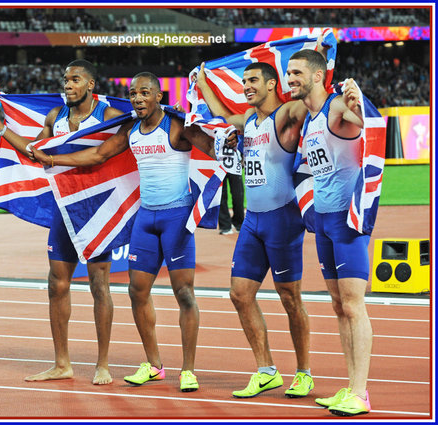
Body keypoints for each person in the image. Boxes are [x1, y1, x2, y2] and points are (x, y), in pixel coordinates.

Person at [31, 72, 223, 392]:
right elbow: (98, 155)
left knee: (184, 294)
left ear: (158, 96)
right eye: (133, 94)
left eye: (145, 93)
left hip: (176, 217)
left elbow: (212, 146)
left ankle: (188, 369)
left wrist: (224, 139)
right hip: (145, 219)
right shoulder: (131, 129)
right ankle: (154, 364)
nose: (137, 99)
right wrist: (52, 157)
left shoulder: (177, 126)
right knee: (137, 291)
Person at [0, 59, 124, 385]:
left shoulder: (110, 117)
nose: (67, 84)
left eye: (74, 80)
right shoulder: (55, 117)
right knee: (56, 285)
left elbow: (123, 144)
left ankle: (103, 365)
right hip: (63, 209)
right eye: (65, 79)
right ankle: (62, 364)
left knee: (99, 285)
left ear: (90, 85)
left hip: (96, 211)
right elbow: (34, 151)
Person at [195, 61, 314, 399]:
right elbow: (220, 115)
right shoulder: (248, 120)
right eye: (244, 80)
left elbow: (308, 102)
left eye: (252, 80)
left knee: (290, 298)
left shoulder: (286, 114)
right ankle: (266, 371)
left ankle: (304, 373)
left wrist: (318, 59)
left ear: (272, 83)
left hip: (283, 219)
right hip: (252, 220)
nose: (246, 86)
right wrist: (203, 85)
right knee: (240, 294)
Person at [287, 49, 373, 416]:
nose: (290, 78)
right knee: (339, 307)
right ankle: (351, 386)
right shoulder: (309, 120)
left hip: (348, 222)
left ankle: (361, 393)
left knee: (353, 306)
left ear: (318, 76)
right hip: (323, 222)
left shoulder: (337, 108)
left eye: (296, 73)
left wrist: (360, 101)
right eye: (288, 72)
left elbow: (370, 123)